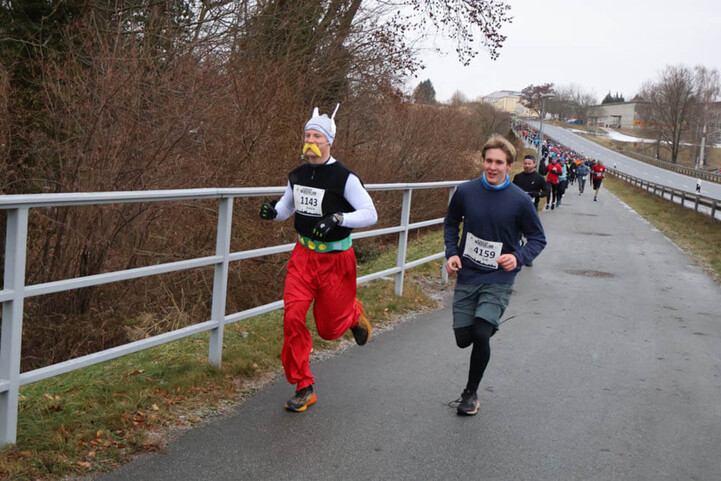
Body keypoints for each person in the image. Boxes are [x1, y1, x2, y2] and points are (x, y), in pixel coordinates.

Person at [259, 106, 378, 412]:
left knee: (328, 329)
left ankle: (352, 315)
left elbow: (370, 213)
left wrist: (339, 218)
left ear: (328, 142)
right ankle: (304, 386)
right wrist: (273, 212)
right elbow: (287, 207)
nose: (310, 141)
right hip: (303, 257)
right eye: (307, 135)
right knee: (292, 318)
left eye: (317, 136)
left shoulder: (345, 178)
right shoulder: (297, 175)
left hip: (336, 261)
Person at [444, 134, 546, 416]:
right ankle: (483, 324)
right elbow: (451, 224)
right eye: (488, 160)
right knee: (463, 338)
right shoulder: (466, 191)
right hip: (468, 273)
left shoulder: (520, 200)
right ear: (483, 161)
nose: (492, 167)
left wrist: (518, 257)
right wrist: (451, 253)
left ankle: (470, 394)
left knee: (481, 331)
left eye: (499, 162)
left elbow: (538, 239)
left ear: (509, 165)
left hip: (499, 277)